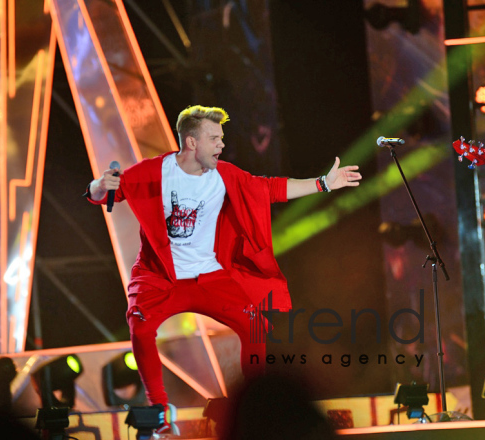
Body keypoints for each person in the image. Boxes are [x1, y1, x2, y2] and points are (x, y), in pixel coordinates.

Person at [87, 105, 361, 434]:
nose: (221, 145)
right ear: (190, 143)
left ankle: (257, 407)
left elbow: (271, 188)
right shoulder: (155, 172)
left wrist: (324, 184)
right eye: (214, 138)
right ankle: (159, 408)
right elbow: (102, 192)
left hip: (210, 278)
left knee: (254, 325)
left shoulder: (225, 175)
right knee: (141, 328)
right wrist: (98, 185)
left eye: (221, 138)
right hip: (161, 278)